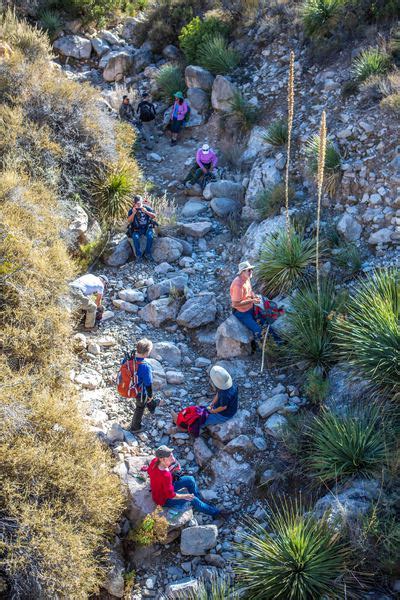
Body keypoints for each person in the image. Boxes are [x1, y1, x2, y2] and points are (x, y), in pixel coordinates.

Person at [147, 446, 225, 517]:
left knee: (190, 479)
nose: (172, 457)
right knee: (192, 499)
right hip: (164, 500)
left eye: (172, 454)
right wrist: (185, 496)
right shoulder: (165, 475)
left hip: (163, 490)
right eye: (169, 456)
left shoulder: (155, 461)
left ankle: (200, 501)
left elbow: (149, 471)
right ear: (162, 459)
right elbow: (171, 495)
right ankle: (216, 513)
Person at [230, 261, 281, 350]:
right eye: (249, 270)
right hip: (242, 312)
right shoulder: (237, 285)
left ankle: (279, 342)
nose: (251, 272)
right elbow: (235, 303)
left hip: (251, 308)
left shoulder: (247, 278)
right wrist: (252, 300)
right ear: (242, 272)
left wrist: (254, 297)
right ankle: (264, 350)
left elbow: (250, 291)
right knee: (258, 330)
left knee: (266, 323)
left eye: (251, 270)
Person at [130, 338, 156, 432]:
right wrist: (150, 396)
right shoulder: (145, 366)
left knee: (144, 402)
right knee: (140, 407)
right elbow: (148, 383)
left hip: (128, 386)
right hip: (140, 391)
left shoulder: (128, 358)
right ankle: (135, 427)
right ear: (146, 353)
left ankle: (151, 407)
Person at [127, 196, 157, 261]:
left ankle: (147, 253)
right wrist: (133, 213)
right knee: (135, 237)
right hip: (137, 229)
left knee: (150, 236)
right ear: (134, 203)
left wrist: (146, 212)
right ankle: (138, 255)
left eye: (140, 202)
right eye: (137, 203)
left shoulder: (147, 208)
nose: (139, 204)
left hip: (147, 227)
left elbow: (154, 216)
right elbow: (129, 221)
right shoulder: (132, 210)